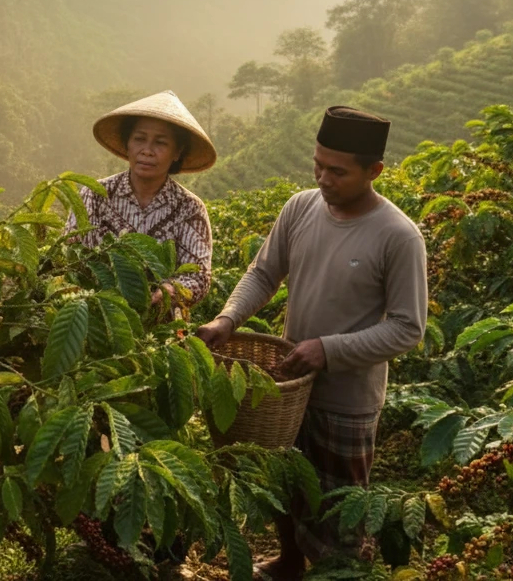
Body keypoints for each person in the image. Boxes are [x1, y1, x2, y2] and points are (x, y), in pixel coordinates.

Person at [195, 106, 428, 581]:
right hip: (286, 387)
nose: (322, 178)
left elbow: (408, 327)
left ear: (374, 171)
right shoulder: (300, 208)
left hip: (347, 400)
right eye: (318, 165)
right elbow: (264, 273)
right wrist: (227, 319)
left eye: (337, 171)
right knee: (286, 484)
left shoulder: (398, 236)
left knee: (339, 505)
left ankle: (337, 572)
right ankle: (290, 562)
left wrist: (328, 349)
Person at [65, 90, 217, 309]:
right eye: (139, 139)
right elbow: (72, 254)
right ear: (127, 144)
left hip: (160, 323)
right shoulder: (95, 194)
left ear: (177, 152)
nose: (147, 151)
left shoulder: (190, 208)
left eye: (160, 143)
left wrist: (170, 291)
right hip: (97, 313)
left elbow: (198, 275)